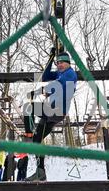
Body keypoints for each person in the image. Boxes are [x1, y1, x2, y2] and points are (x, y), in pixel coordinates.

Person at [23, 49, 78, 181]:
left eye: (62, 63)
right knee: (38, 140)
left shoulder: (70, 74)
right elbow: (45, 76)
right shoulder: (60, 73)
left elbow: (56, 85)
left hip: (56, 110)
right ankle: (41, 172)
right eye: (57, 63)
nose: (59, 65)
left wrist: (38, 91)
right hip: (52, 113)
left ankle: (28, 135)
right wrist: (51, 57)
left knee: (28, 108)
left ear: (69, 63)